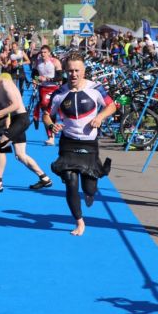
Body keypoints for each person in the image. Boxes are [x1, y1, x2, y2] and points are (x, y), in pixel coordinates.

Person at [44, 54, 118, 236]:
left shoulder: (96, 89)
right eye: (70, 71)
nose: (74, 74)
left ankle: (90, 191)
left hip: (89, 145)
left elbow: (112, 106)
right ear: (65, 72)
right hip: (68, 142)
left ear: (83, 71)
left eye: (77, 70)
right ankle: (79, 221)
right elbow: (46, 115)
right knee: (70, 181)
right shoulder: (59, 93)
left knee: (89, 188)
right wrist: (52, 125)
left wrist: (100, 117)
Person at [0, 64, 54, 193]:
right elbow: (1, 106)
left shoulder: (5, 83)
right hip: (15, 120)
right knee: (20, 155)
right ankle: (44, 178)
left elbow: (16, 105)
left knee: (0, 146)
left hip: (21, 119)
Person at [32, 45, 63, 145]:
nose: (43, 54)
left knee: (56, 113)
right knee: (46, 113)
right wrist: (35, 81)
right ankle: (50, 137)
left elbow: (59, 78)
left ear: (49, 53)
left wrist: (47, 79)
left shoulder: (55, 62)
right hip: (43, 89)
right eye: (41, 52)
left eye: (45, 52)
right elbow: (34, 75)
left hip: (54, 88)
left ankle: (64, 134)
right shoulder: (37, 62)